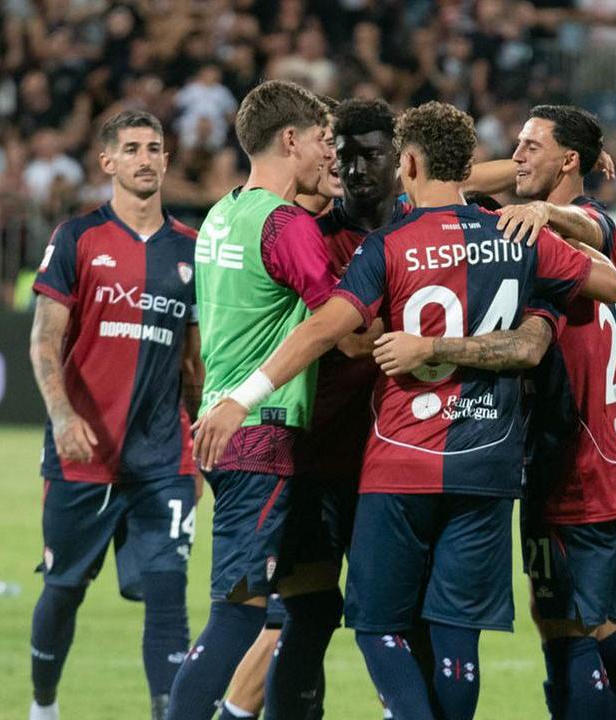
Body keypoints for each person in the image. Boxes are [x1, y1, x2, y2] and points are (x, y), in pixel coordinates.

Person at [193, 101, 616, 720]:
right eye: (340, 152)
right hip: (421, 464)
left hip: (395, 463)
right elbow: (609, 287)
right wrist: (567, 283)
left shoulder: (389, 242)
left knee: (386, 626)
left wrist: (242, 396)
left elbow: (329, 329)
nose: (351, 166)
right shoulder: (502, 233)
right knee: (363, 622)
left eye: (373, 154)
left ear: (404, 162)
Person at [166, 79, 369, 720]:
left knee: (301, 606)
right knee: (237, 613)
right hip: (263, 433)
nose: (329, 155)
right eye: (321, 140)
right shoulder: (287, 228)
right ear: (290, 139)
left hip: (223, 429)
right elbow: (346, 331)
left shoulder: (223, 213)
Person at [484, 105, 616, 719]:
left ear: (567, 161)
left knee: (577, 630)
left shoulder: (572, 227)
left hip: (578, 465)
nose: (515, 155)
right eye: (515, 144)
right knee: (602, 623)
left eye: (530, 145)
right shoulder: (588, 260)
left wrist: (544, 210)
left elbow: (583, 222)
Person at [27, 110, 203, 720]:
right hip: (83, 455)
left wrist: (200, 442)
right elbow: (45, 341)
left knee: (167, 591)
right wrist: (61, 415)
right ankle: (43, 706)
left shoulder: (191, 251)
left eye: (155, 148)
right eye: (131, 149)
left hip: (163, 457)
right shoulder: (78, 237)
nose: (146, 159)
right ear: (108, 162)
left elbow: (194, 366)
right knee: (64, 589)